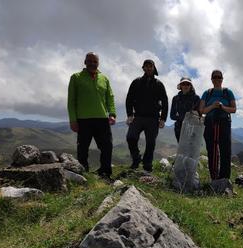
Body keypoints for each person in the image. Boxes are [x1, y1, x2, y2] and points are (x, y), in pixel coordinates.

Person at [67, 52, 116, 181]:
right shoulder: (76, 77)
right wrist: (73, 120)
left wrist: (112, 113)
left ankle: (105, 174)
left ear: (98, 63)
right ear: (85, 62)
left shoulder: (104, 78)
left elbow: (110, 97)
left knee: (107, 146)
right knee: (82, 149)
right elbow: (71, 100)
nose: (92, 64)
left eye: (95, 61)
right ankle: (83, 175)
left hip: (102, 119)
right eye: (89, 61)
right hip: (83, 120)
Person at [125, 59, 168, 173]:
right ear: (143, 68)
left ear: (154, 68)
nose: (149, 68)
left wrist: (163, 118)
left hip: (153, 118)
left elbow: (165, 101)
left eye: (151, 66)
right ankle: (136, 159)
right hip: (137, 116)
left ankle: (147, 164)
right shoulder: (136, 82)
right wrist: (130, 115)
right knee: (131, 137)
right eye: (146, 66)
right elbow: (129, 99)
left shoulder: (159, 84)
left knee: (150, 142)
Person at [199, 70, 236, 180]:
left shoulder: (228, 92)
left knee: (225, 150)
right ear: (211, 79)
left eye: (219, 77)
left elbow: (233, 109)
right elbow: (202, 110)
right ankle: (214, 177)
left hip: (224, 122)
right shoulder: (207, 93)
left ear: (222, 79)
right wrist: (213, 106)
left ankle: (224, 178)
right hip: (210, 122)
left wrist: (222, 107)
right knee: (212, 149)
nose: (217, 79)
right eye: (214, 77)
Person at [170, 77, 201, 142]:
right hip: (179, 128)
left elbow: (199, 114)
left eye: (188, 84)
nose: (185, 86)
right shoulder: (175, 98)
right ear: (180, 86)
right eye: (183, 84)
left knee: (191, 149)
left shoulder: (196, 98)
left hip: (192, 127)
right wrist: (184, 118)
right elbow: (172, 115)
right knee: (181, 149)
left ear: (190, 86)